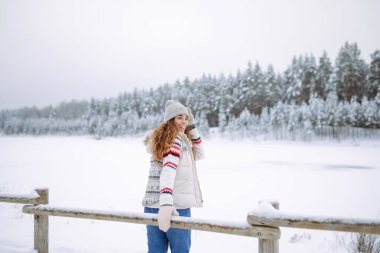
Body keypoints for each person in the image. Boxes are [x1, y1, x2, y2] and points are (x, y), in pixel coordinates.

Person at [142, 100, 205, 253]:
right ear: (171, 119)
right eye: (179, 117)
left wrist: (192, 128)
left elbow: (200, 153)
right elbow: (168, 172)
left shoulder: (165, 140)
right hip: (174, 207)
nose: (184, 121)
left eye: (186, 118)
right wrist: (166, 204)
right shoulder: (176, 143)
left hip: (153, 205)